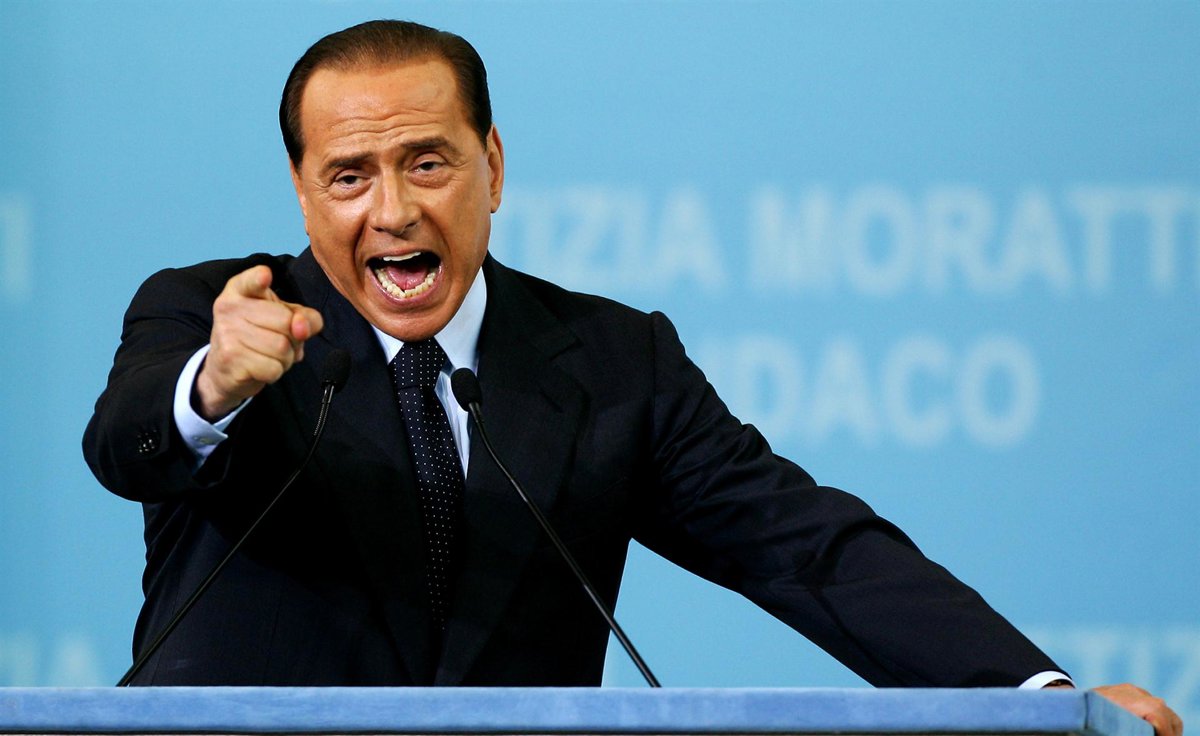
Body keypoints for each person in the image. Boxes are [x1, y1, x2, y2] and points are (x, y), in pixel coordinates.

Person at [83, 19, 1180, 736]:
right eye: (349, 176)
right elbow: (128, 442)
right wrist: (213, 387)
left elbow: (804, 546)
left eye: (427, 162)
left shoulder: (610, 362)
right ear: (301, 188)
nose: (394, 210)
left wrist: (1038, 699)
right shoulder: (214, 315)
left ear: (492, 166)